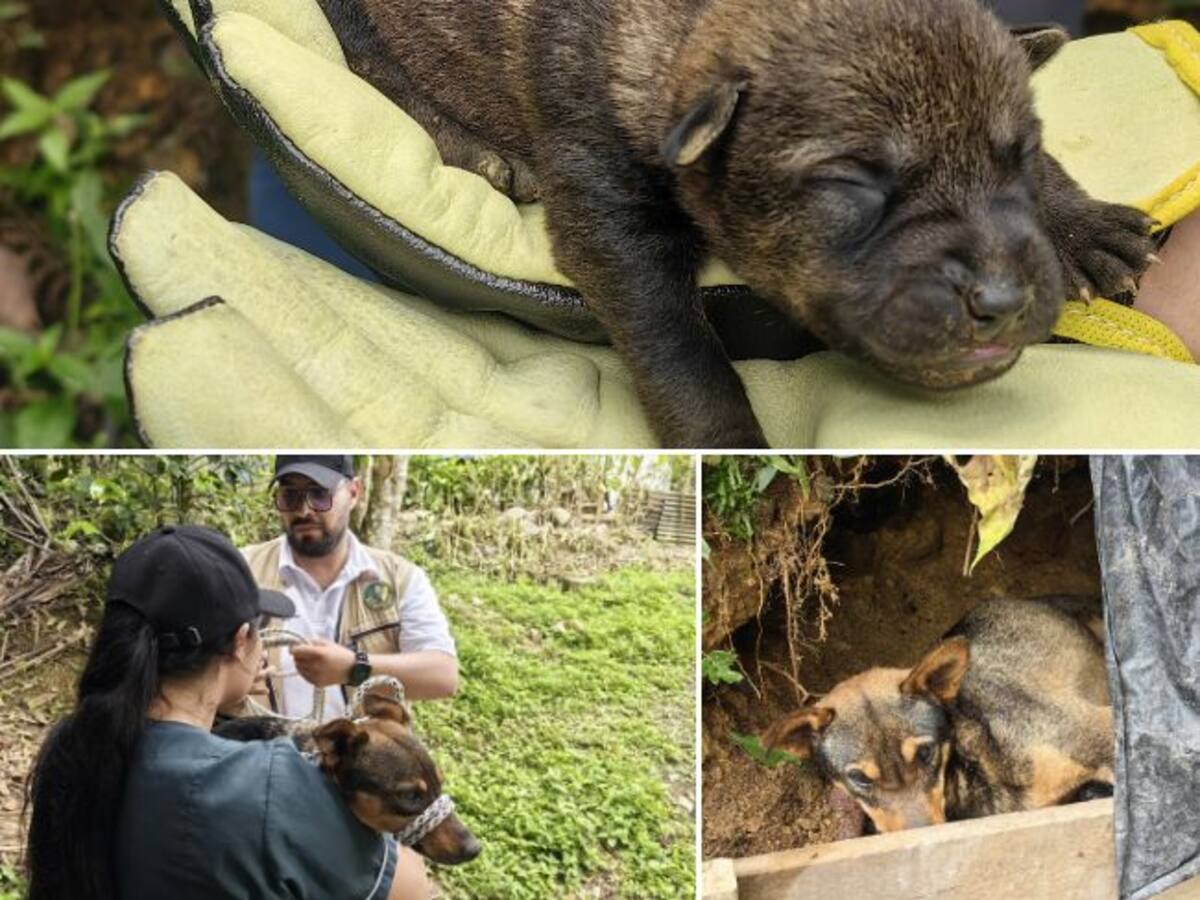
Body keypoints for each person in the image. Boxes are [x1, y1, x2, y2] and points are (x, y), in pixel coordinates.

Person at [24, 524, 430, 899]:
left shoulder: (77, 747)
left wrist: (219, 703)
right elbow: (411, 888)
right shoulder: (273, 783)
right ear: (241, 642)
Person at [237, 455, 458, 722]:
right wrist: (234, 680)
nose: (305, 510)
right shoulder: (241, 570)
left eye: (319, 494)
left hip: (364, 760)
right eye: (290, 496)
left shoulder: (398, 578)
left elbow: (443, 676)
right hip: (263, 757)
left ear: (354, 493)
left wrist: (355, 667)